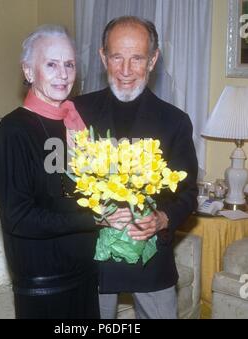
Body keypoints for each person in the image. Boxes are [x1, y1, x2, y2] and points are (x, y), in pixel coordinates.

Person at [73, 16, 198, 319]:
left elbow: (188, 194)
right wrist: (92, 215)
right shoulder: (76, 112)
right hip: (92, 259)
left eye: (137, 58)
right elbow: (62, 185)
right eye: (117, 57)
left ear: (152, 60)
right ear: (103, 57)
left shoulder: (175, 121)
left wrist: (163, 218)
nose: (126, 70)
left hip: (150, 260)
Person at [0, 25, 104, 319]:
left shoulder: (75, 123)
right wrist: (91, 218)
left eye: (69, 64)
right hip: (45, 289)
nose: (63, 74)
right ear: (28, 71)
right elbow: (19, 218)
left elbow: (70, 192)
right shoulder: (14, 131)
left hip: (86, 275)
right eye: (51, 64)